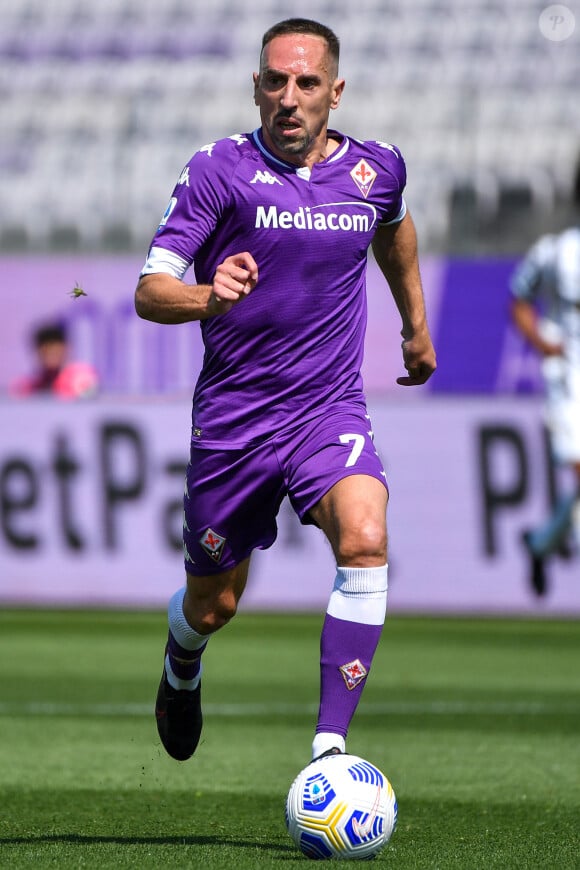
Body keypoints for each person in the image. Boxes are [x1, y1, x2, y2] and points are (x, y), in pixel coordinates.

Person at [135, 18, 436, 763]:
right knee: (216, 604)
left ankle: (329, 750)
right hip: (237, 423)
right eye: (275, 81)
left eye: (306, 83)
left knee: (365, 539)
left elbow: (393, 227)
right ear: (257, 87)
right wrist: (208, 295)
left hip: (328, 409)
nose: (289, 98)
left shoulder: (376, 170)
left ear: (336, 92)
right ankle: (181, 661)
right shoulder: (218, 170)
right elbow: (149, 291)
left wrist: (416, 325)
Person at [510, 165, 580, 596]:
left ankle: (540, 543)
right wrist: (541, 341)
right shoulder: (557, 250)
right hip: (567, 376)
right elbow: (518, 297)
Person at [9, 321, 98, 400]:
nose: (51, 356)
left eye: (55, 351)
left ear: (66, 349)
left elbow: (89, 403)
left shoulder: (82, 377)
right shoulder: (30, 385)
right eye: (46, 352)